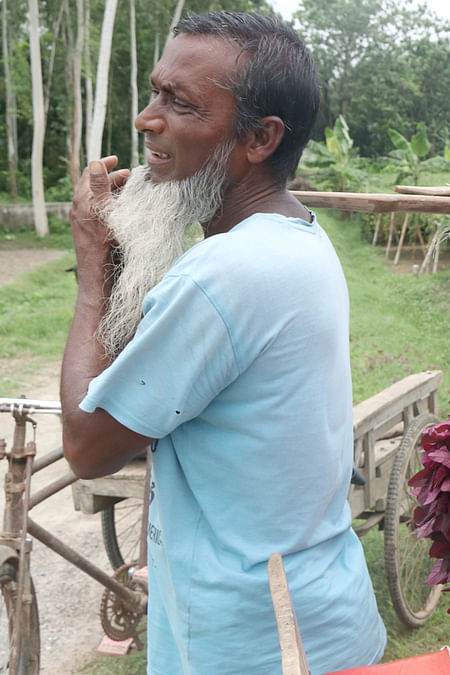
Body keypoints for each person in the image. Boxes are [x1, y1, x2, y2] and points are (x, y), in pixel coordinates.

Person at [59, 11, 386, 673]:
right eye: (155, 93)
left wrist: (95, 273)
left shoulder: (225, 273)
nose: (148, 119)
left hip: (260, 645)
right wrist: (125, 269)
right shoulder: (295, 237)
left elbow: (88, 445)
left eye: (182, 104)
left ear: (260, 138)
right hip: (313, 614)